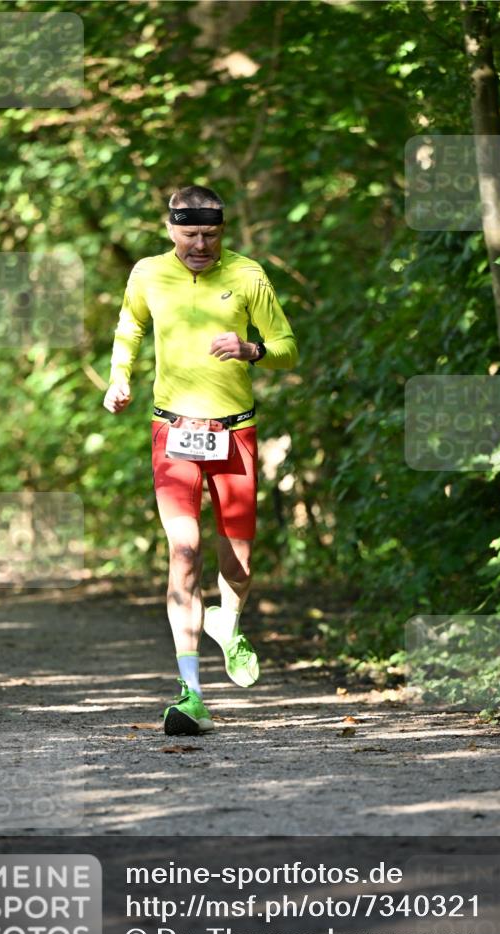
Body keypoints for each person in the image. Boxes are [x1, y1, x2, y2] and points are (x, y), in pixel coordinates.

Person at [103, 185, 298, 735]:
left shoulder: (248, 275)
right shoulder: (147, 273)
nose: (200, 245)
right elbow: (129, 327)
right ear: (170, 229)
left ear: (222, 232)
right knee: (184, 549)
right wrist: (119, 379)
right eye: (189, 234)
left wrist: (251, 349)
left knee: (238, 564)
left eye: (210, 234)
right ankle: (191, 693)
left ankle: (227, 622)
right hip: (173, 433)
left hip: (235, 434)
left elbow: (287, 347)